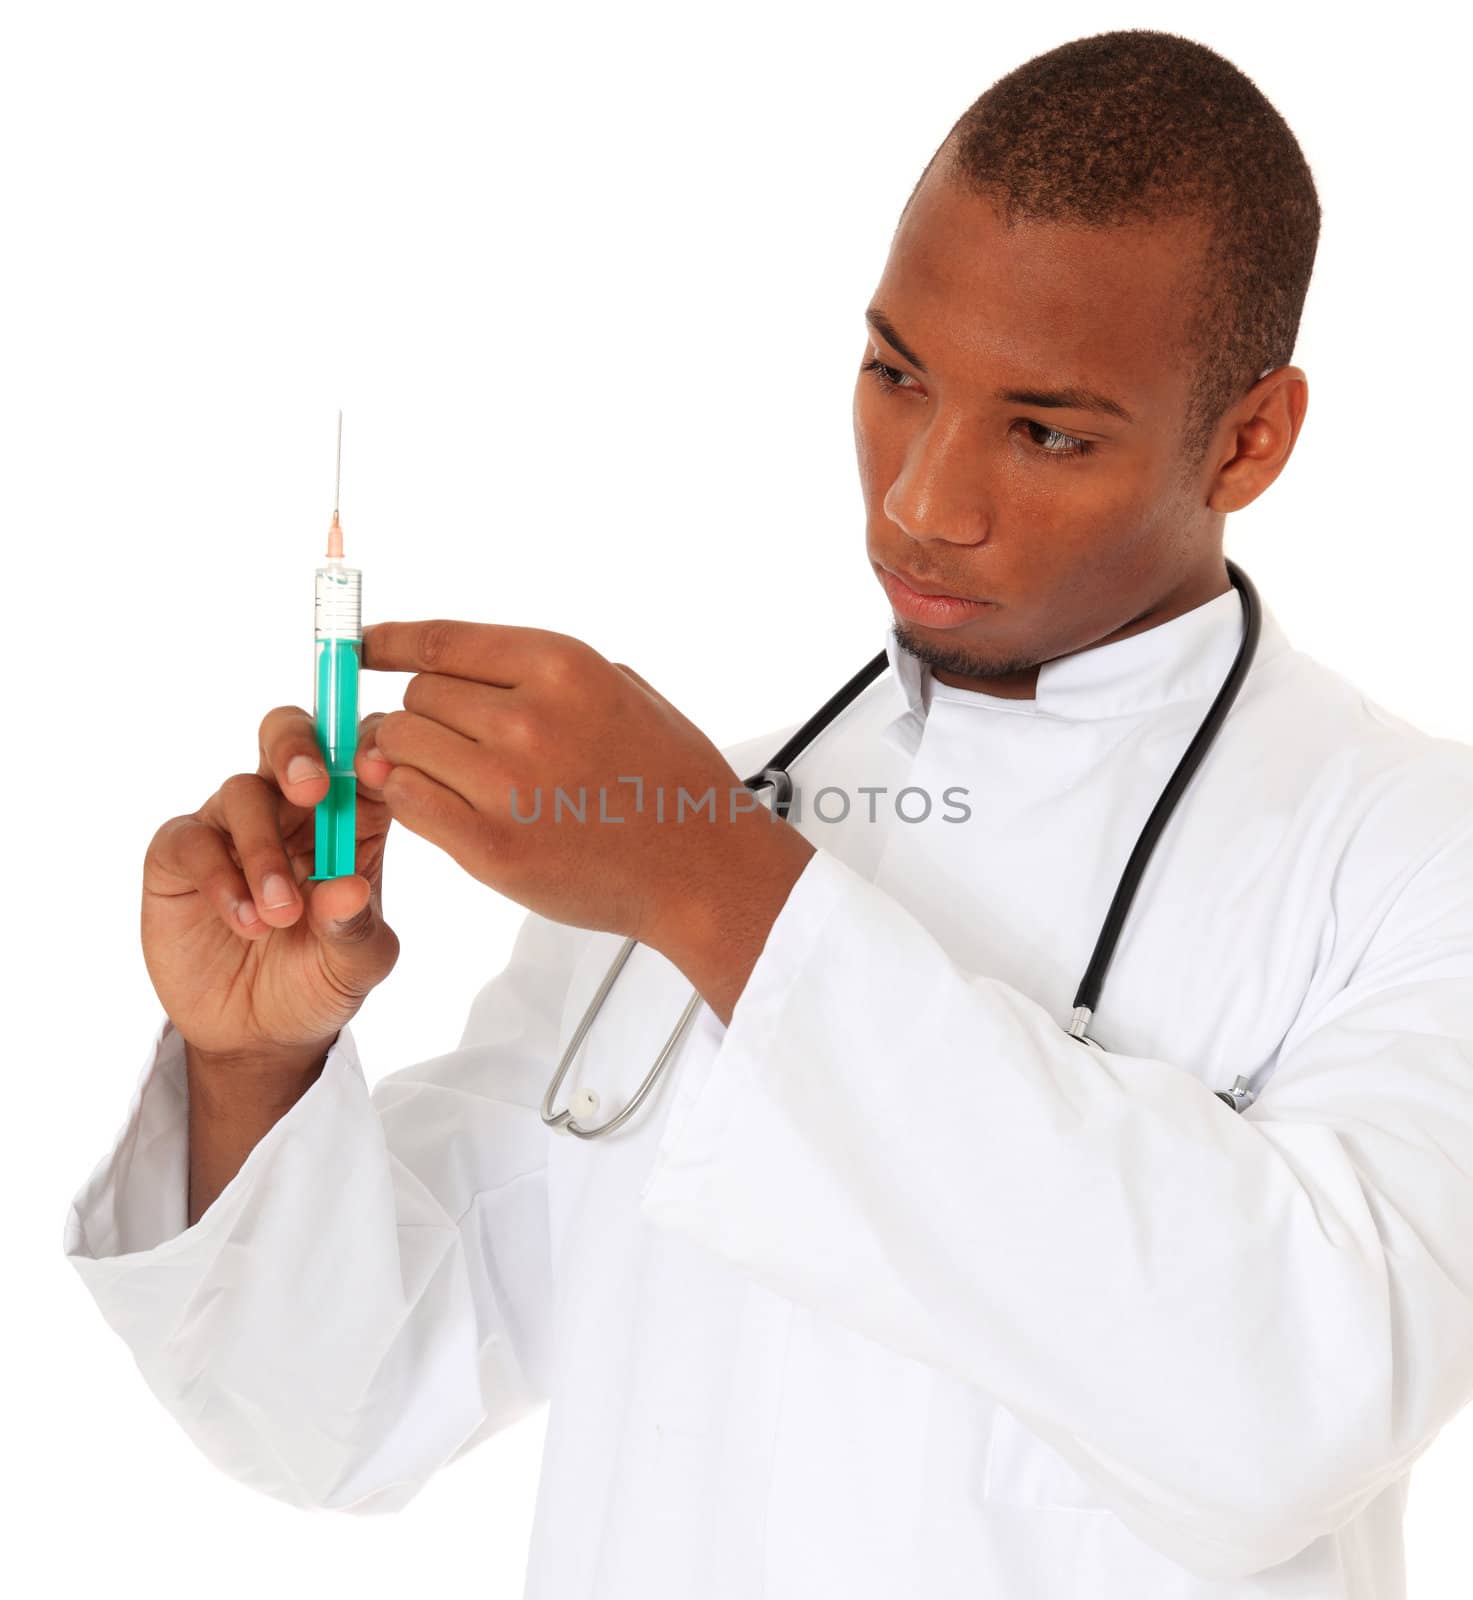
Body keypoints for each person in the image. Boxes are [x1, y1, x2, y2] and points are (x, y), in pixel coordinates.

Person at [62, 27, 1473, 1599]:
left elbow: (1286, 1409)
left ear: (1249, 439)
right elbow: (342, 1411)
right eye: (894, 376)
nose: (922, 498)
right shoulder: (713, 809)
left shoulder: (1411, 851)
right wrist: (253, 1060)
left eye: (1048, 431)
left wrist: (715, 887)